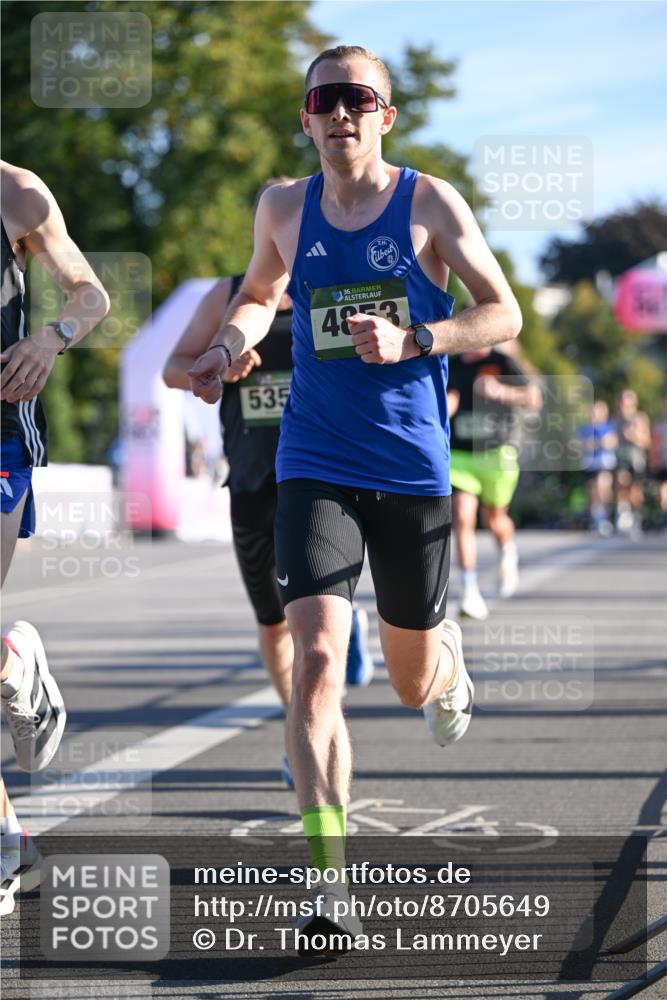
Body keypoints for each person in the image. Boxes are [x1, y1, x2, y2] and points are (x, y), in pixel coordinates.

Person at [187, 45, 522, 952]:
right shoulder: (283, 207)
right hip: (314, 461)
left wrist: (419, 336)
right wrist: (228, 346)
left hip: (411, 468)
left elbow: (503, 314)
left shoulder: (430, 204)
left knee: (410, 682)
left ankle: (444, 662)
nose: (340, 113)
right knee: (320, 665)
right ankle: (330, 884)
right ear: (305, 116)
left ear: (386, 114)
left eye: (358, 98)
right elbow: (260, 293)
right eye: (324, 99)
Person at [162, 181, 374, 789]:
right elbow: (173, 368)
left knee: (314, 639)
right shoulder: (230, 296)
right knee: (271, 624)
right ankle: (297, 720)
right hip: (253, 477)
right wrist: (219, 365)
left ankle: (312, 719)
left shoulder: (333, 290)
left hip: (324, 472)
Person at [0, 160, 109, 916]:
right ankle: (12, 842)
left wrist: (54, 335)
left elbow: (90, 294)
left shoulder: (17, 192)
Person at [447, 346, 542, 620]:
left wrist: (502, 391)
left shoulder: (502, 362)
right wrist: (446, 404)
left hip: (496, 454)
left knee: (494, 518)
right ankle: (468, 590)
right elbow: (448, 394)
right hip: (460, 455)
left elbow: (533, 398)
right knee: (462, 516)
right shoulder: (453, 364)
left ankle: (506, 551)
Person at [613, 389, 651, 536]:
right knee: (621, 481)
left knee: (635, 490)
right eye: (622, 401)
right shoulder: (616, 418)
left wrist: (634, 436)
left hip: (636, 458)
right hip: (621, 457)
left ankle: (636, 517)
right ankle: (623, 514)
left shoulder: (640, 417)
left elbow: (647, 441)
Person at [579, 400, 617, 537]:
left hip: (604, 463)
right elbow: (576, 444)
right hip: (589, 463)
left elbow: (611, 442)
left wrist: (594, 443)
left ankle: (606, 516)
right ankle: (597, 519)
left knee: (602, 488)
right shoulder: (585, 428)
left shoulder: (608, 426)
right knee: (592, 492)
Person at [649, 397, 667, 532]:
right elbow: (654, 446)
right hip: (663, 463)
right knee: (663, 491)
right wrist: (653, 460)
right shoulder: (660, 426)